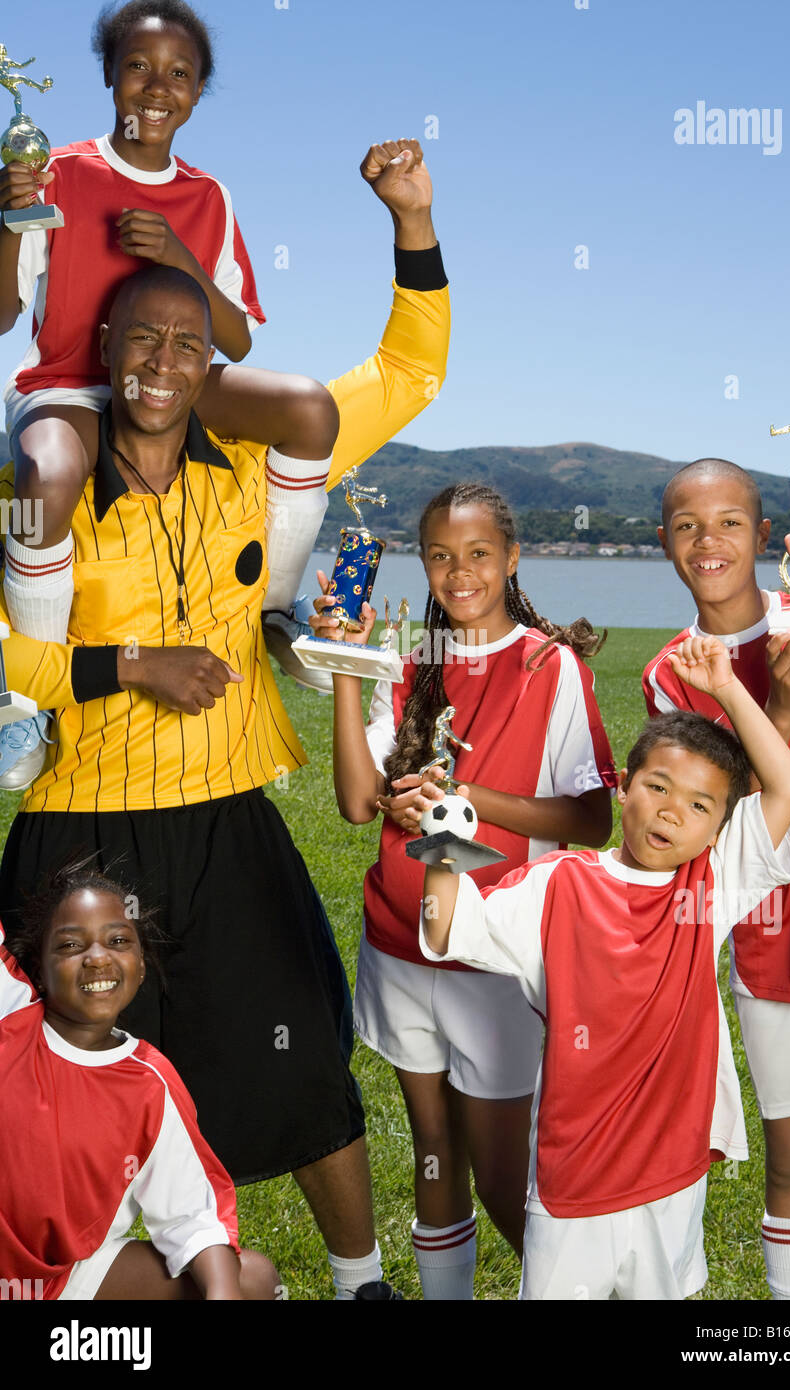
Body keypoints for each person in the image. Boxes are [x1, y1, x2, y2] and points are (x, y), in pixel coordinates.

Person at [0, 172, 449, 1298]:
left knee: (299, 1058)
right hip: (77, 829)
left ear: (214, 365)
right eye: (139, 339)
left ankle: (361, 1284)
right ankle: (99, 1294)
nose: (160, 362)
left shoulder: (256, 471)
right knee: (68, 1088)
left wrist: (411, 227)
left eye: (186, 343)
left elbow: (410, 373)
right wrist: (127, 666)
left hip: (226, 822)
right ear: (104, 348)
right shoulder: (39, 488)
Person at [0, 0, 340, 785]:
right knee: (48, 477)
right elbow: (5, 314)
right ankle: (31, 701)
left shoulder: (208, 197)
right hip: (73, 383)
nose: (158, 87)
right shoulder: (59, 173)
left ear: (197, 92)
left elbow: (240, 340)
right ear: (111, 79)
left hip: (173, 381)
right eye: (139, 68)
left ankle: (275, 612)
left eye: (179, 74)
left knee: (310, 408)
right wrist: (12, 220)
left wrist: (185, 256)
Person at [420, 635, 790, 1300]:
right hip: (574, 1178)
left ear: (718, 828)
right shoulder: (559, 884)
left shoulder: (714, 883)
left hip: (672, 1173)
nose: (671, 811)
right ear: (624, 789)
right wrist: (444, 839)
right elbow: (446, 927)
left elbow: (788, 783)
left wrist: (725, 688)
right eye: (657, 787)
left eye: (698, 805)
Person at [311, 481, 615, 1298]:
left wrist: (471, 801)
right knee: (433, 1148)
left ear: (512, 559)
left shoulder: (551, 669)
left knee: (500, 1178)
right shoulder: (412, 660)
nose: (460, 572)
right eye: (441, 556)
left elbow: (592, 820)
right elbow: (352, 801)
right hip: (401, 947)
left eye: (479, 554)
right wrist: (348, 664)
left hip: (499, 962)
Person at [642, 458, 790, 1300]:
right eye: (689, 525)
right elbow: (710, 830)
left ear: (768, 536)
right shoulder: (674, 674)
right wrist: (779, 714)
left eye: (731, 522)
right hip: (786, 947)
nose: (710, 541)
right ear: (665, 542)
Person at [0, 862, 280, 1301]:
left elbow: (191, 1218)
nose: (96, 956)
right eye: (71, 944)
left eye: (117, 941)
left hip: (59, 1280)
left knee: (252, 1279)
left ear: (142, 965)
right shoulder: (9, 1017)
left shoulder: (149, 1083)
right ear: (38, 968)